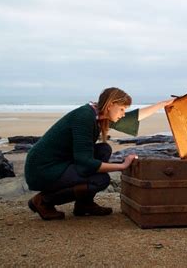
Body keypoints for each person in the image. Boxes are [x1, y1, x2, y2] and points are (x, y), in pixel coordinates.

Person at [24, 87, 173, 220]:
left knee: (104, 149)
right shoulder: (84, 117)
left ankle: (84, 205)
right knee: (100, 180)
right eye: (122, 109)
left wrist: (161, 105)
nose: (123, 114)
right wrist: (123, 166)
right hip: (43, 169)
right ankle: (43, 201)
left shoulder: (98, 115)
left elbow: (134, 117)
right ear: (110, 105)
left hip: (60, 163)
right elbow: (85, 163)